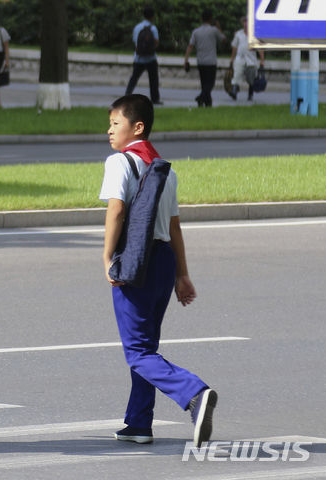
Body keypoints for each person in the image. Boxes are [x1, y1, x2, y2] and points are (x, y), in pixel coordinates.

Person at [99, 94, 217, 447]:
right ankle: (138, 422)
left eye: (115, 124)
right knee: (147, 345)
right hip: (164, 261)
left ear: (137, 127)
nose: (109, 131)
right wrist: (182, 273)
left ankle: (194, 392)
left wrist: (107, 258)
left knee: (137, 351)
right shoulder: (166, 168)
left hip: (136, 260)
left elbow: (116, 211)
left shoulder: (120, 163)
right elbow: (175, 226)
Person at [184, 10, 226, 107]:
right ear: (211, 19)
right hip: (211, 61)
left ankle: (207, 102)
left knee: (204, 83)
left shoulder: (196, 31)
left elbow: (190, 46)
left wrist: (186, 60)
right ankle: (201, 97)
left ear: (201, 19)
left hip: (201, 61)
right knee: (210, 84)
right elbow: (223, 40)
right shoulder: (214, 30)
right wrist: (218, 27)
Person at [125, 5, 162, 105]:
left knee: (134, 78)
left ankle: (127, 95)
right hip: (151, 58)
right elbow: (156, 42)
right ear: (152, 16)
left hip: (139, 58)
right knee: (153, 79)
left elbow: (134, 41)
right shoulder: (153, 28)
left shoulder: (137, 27)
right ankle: (155, 99)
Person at [229, 16, 264, 101]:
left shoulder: (255, 35)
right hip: (240, 58)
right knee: (237, 74)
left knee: (251, 78)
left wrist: (262, 60)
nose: (246, 24)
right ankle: (234, 91)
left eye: (247, 22)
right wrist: (232, 59)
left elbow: (260, 49)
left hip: (251, 60)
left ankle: (250, 94)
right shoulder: (238, 34)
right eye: (244, 22)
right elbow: (234, 47)